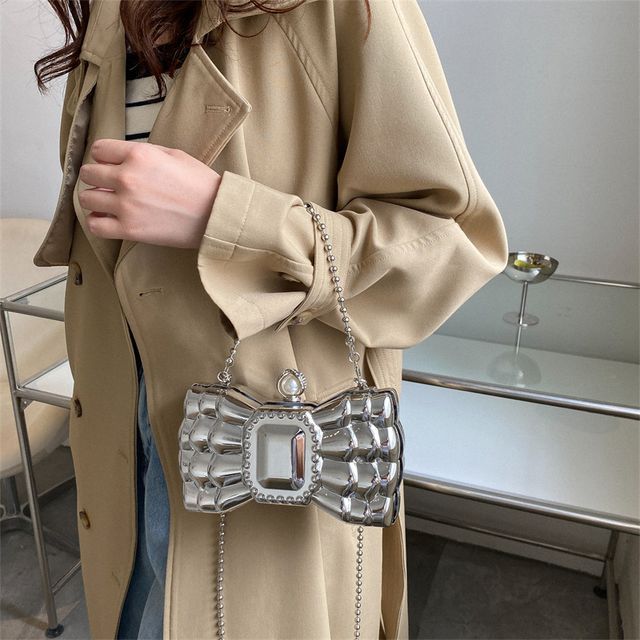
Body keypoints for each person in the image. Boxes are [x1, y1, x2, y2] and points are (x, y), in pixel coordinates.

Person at [33, 1, 510, 638]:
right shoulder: (108, 16)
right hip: (129, 447)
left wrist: (226, 216)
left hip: (273, 456)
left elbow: (449, 242)